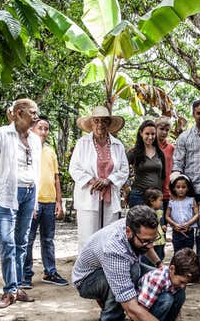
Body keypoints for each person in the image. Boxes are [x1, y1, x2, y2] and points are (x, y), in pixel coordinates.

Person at [72, 205, 172, 321]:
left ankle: (109, 300)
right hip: (87, 280)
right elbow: (130, 307)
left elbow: (147, 244)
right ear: (129, 232)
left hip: (112, 266)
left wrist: (159, 265)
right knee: (132, 272)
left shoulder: (135, 226)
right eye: (145, 241)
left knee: (160, 276)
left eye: (153, 239)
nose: (150, 245)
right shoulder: (113, 248)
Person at [0, 98, 42, 309]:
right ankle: (9, 290)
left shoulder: (35, 140)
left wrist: (34, 199)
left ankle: (16, 288)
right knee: (7, 242)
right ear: (18, 113)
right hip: (7, 193)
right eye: (32, 113)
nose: (36, 117)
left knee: (22, 241)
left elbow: (37, 170)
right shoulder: (1, 135)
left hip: (29, 192)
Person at [69, 106, 129, 251]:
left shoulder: (117, 145)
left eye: (104, 121)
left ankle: (106, 270)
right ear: (91, 123)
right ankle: (86, 272)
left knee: (109, 236)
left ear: (108, 124)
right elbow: (74, 168)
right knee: (88, 236)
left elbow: (124, 169)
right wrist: (92, 180)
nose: (100, 124)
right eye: (96, 121)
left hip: (110, 197)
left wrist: (109, 180)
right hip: (88, 196)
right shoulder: (82, 143)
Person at [21, 115, 68, 288]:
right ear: (32, 128)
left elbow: (56, 179)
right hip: (32, 202)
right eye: (40, 127)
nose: (43, 131)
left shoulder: (50, 152)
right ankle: (25, 275)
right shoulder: (26, 149)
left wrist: (58, 202)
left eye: (46, 128)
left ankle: (50, 272)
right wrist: (29, 202)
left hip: (49, 202)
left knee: (48, 239)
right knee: (29, 239)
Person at [134, 248, 200, 321]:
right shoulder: (157, 280)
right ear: (172, 269)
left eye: (186, 283)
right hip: (142, 314)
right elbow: (141, 310)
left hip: (158, 311)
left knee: (180, 294)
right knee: (167, 298)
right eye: (182, 282)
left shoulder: (177, 282)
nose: (183, 286)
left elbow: (178, 308)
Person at [126, 120, 165, 207]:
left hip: (156, 197)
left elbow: (163, 176)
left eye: (153, 134)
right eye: (147, 134)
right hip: (138, 195)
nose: (150, 137)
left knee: (156, 220)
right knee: (138, 220)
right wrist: (126, 187)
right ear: (141, 133)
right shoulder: (134, 152)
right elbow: (121, 168)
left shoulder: (160, 153)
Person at [166, 173, 199, 252]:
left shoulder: (191, 200)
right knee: (177, 252)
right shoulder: (172, 202)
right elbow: (167, 216)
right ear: (174, 188)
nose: (181, 189)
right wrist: (175, 225)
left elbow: (197, 214)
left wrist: (188, 224)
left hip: (189, 231)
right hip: (176, 231)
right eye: (178, 187)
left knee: (188, 252)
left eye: (183, 187)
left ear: (187, 188)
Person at [155, 116, 175, 216]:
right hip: (152, 190)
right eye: (161, 129)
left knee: (164, 225)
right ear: (155, 128)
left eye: (167, 130)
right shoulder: (149, 146)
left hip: (166, 192)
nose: (164, 132)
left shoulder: (171, 148)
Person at [142, 187, 166, 266]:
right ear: (152, 201)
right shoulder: (145, 213)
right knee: (147, 261)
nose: (162, 202)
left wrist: (163, 226)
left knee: (159, 258)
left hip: (159, 240)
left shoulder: (159, 212)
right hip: (150, 241)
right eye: (160, 200)